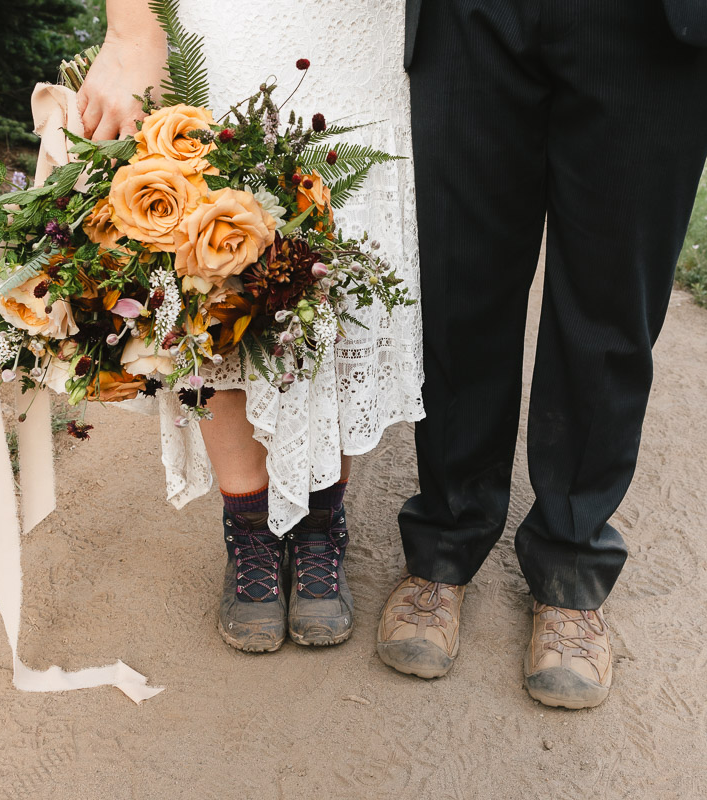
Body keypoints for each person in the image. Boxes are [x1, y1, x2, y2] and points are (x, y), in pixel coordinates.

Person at [375, 0, 707, 709]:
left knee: (612, 308)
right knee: (458, 285)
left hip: (654, 21)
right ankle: (444, 540)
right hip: (471, 15)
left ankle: (570, 564)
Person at [76, 0, 424, 654]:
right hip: (229, 21)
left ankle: (321, 521)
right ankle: (251, 529)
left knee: (337, 267)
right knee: (213, 266)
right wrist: (129, 32)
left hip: (357, 29)